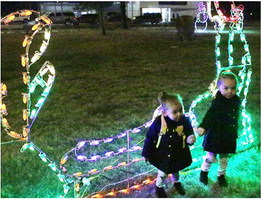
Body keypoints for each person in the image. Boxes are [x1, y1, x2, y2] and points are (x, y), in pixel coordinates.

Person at [142, 91, 196, 198]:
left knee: (176, 170)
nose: (179, 114)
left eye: (181, 110)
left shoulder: (184, 120)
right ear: (165, 113)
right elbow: (150, 138)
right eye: (175, 112)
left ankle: (176, 182)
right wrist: (146, 153)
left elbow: (189, 130)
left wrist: (190, 137)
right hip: (163, 153)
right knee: (162, 173)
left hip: (178, 152)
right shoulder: (158, 122)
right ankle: (159, 186)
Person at [197, 71, 241, 187]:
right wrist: (203, 127)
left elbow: (235, 117)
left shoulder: (236, 101)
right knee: (210, 157)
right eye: (226, 88)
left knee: (224, 158)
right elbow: (210, 115)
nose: (230, 91)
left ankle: (221, 175)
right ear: (219, 87)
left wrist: (235, 130)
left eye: (233, 88)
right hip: (215, 135)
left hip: (228, 135)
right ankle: (204, 172)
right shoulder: (218, 102)